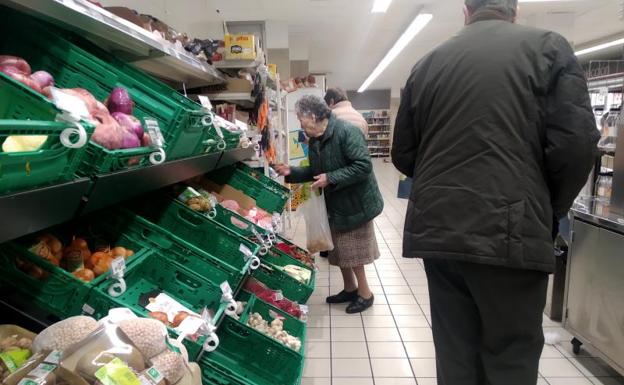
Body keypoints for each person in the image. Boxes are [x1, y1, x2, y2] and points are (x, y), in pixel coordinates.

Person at [392, 0, 599, 384]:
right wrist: (548, 207)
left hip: (441, 232)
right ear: (514, 11)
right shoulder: (549, 49)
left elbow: (404, 155)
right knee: (509, 358)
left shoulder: (427, 64)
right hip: (514, 233)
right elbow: (577, 146)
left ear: (465, 12)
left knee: (455, 356)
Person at [275, 95, 384, 313]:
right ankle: (350, 289)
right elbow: (316, 172)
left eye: (300, 118)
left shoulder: (346, 131)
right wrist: (291, 172)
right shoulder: (316, 139)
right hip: (336, 202)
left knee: (354, 253)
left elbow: (363, 166)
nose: (299, 123)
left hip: (356, 203)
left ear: (313, 116)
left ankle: (366, 294)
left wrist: (331, 178)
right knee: (339, 250)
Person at [314, 87, 370, 260]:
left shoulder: (334, 119)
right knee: (356, 236)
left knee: (342, 232)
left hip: (337, 181)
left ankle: (355, 281)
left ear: (331, 102)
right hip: (356, 185)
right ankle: (352, 279)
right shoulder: (359, 117)